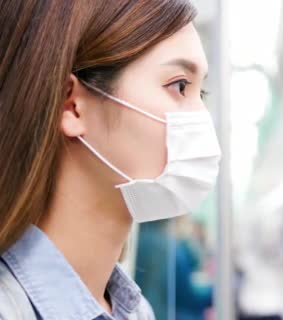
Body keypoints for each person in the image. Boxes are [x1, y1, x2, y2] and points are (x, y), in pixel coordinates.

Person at [0, 1, 221, 319]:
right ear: (72, 106)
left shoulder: (135, 310)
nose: (202, 120)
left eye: (200, 95)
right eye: (180, 86)